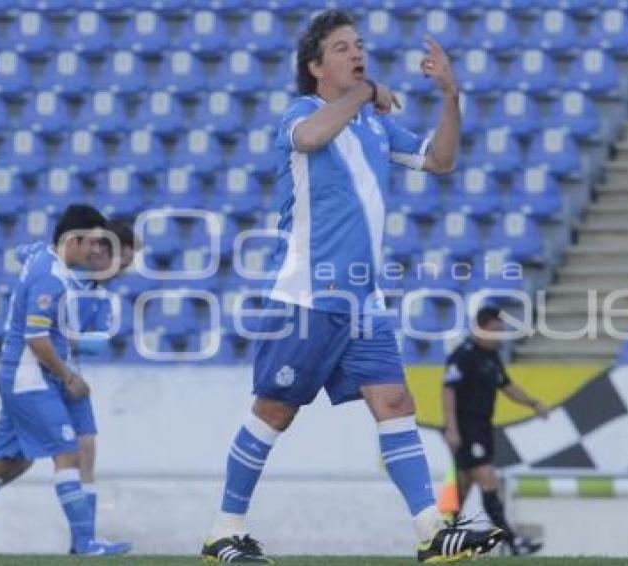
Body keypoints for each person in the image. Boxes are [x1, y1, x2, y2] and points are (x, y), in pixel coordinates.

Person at [201, 10, 503, 564]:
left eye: (358, 45)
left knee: (394, 401)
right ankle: (224, 532)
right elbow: (313, 137)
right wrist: (367, 92)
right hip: (305, 295)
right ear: (315, 67)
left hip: (362, 299)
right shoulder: (302, 112)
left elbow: (440, 159)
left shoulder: (375, 123)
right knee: (274, 412)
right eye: (341, 48)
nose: (356, 52)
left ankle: (433, 531)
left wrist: (450, 97)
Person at [0, 205, 131, 556]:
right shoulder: (50, 278)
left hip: (28, 376)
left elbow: (26, 253)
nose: (94, 252)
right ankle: (84, 543)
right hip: (31, 378)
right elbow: (36, 339)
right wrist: (68, 375)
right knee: (67, 453)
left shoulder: (51, 264)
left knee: (5, 462)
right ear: (74, 240)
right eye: (91, 244)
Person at [441, 306, 548, 556]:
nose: (498, 336)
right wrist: (452, 429)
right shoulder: (463, 356)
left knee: (463, 487)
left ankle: (442, 540)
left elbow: (506, 385)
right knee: (489, 478)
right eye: (494, 331)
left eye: (500, 331)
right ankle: (512, 541)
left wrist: (533, 403)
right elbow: (448, 391)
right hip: (467, 428)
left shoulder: (492, 356)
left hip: (482, 427)